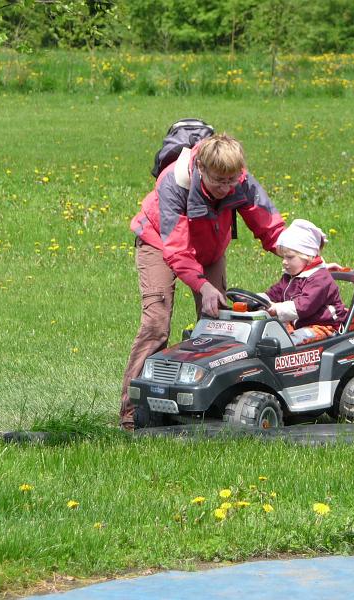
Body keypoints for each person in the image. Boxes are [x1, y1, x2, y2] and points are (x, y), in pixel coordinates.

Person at [121, 133, 285, 430]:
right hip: (159, 243)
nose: (226, 188)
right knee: (156, 324)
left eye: (231, 180)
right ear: (201, 170)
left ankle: (211, 406)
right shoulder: (174, 182)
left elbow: (269, 226)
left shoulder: (240, 180)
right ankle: (134, 414)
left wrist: (303, 257)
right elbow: (176, 248)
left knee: (219, 325)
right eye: (218, 181)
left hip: (209, 247)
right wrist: (203, 285)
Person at [262, 219, 348, 345]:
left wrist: (276, 309)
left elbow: (304, 306)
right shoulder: (291, 276)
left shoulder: (320, 279)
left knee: (290, 341)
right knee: (268, 332)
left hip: (323, 326)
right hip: (299, 323)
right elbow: (275, 292)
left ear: (307, 256)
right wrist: (259, 299)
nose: (284, 262)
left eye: (289, 257)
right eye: (283, 257)